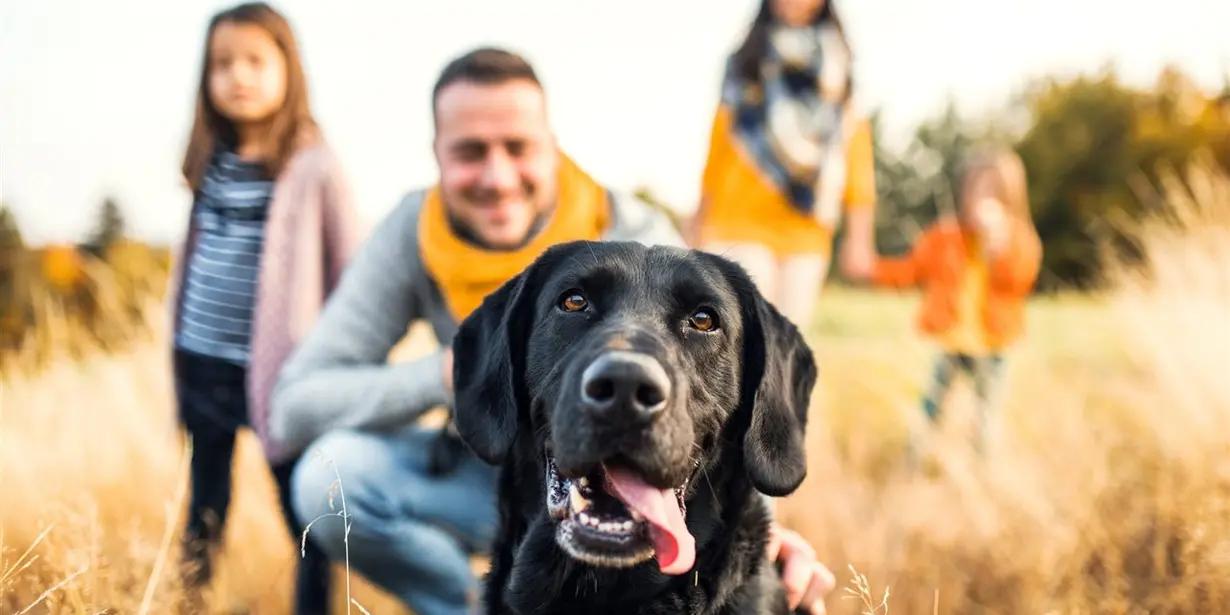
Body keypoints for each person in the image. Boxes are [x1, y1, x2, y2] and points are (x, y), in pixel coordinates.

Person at [273, 48, 836, 615]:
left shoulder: (635, 231)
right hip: (500, 461)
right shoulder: (411, 234)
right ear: (437, 154)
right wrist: (445, 374)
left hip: (656, 468)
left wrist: (761, 533)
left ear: (552, 145)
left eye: (517, 148)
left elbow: (720, 387)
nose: (497, 177)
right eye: (470, 151)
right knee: (329, 475)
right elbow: (294, 405)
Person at [169, 3, 361, 610]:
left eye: (255, 60)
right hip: (202, 360)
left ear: (289, 69)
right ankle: (189, 599)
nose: (238, 76)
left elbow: (353, 275)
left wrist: (337, 363)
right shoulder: (209, 160)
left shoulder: (313, 165)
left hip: (282, 374)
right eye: (222, 64)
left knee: (305, 512)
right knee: (205, 506)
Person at [692, 0, 877, 326]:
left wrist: (859, 236)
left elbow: (855, 152)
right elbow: (719, 144)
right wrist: (698, 218)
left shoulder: (839, 67)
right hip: (738, 220)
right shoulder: (745, 61)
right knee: (746, 335)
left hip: (806, 227)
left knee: (787, 343)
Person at [862, 147, 1041, 448]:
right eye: (977, 189)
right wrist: (871, 269)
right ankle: (913, 459)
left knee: (986, 414)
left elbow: (1021, 280)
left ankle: (983, 466)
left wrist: (1000, 248)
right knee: (931, 407)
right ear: (964, 193)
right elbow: (910, 271)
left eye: (994, 191)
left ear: (1011, 197)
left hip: (993, 345)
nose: (984, 199)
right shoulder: (944, 237)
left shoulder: (1019, 240)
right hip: (951, 340)